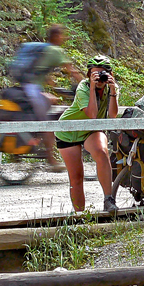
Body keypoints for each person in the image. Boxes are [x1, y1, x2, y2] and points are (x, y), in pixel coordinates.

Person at [54, 55, 119, 213]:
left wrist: (112, 91)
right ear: (88, 75)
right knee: (76, 177)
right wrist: (91, 88)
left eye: (103, 73)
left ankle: (108, 199)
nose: (99, 78)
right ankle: (80, 215)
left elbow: (112, 115)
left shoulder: (112, 87)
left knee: (102, 152)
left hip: (91, 129)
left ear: (110, 74)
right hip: (68, 131)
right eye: (95, 74)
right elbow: (92, 114)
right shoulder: (83, 87)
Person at [20, 24, 82, 171]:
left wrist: (55, 89)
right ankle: (51, 158)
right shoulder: (55, 50)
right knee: (47, 122)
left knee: (50, 103)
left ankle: (43, 144)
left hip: (27, 87)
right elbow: (72, 70)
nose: (64, 38)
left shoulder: (44, 50)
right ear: (56, 36)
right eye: (62, 35)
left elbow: (43, 74)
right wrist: (86, 84)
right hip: (32, 89)